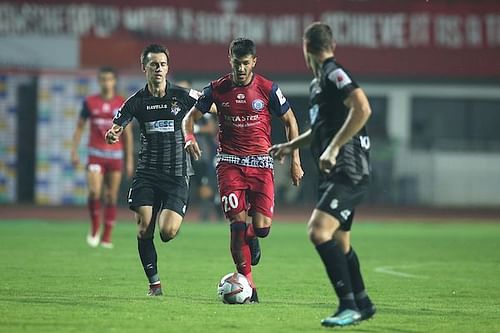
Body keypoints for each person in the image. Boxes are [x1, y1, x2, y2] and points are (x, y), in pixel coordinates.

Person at [269, 22, 376, 327]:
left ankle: (347, 306)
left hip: (349, 169)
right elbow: (319, 132)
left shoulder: (333, 73)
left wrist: (333, 149)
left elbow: (362, 108)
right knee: (341, 244)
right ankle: (363, 303)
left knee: (318, 231)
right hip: (334, 173)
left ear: (307, 49)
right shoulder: (317, 84)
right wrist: (291, 145)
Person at [183, 38, 304, 302]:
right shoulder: (216, 89)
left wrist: (296, 160)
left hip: (261, 165)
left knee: (261, 229)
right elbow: (188, 119)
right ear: (230, 60)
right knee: (237, 227)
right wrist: (189, 139)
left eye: (245, 63)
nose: (240, 68)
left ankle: (254, 235)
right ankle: (249, 284)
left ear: (254, 62)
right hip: (229, 164)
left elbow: (290, 121)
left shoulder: (268, 89)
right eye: (236, 63)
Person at [104, 44, 201, 296]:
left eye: (163, 64)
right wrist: (114, 133)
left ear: (168, 68)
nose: (158, 69)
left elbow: (212, 104)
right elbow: (118, 124)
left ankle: (171, 215)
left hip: (177, 173)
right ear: (144, 67)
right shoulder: (135, 101)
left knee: (167, 232)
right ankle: (154, 284)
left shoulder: (183, 95)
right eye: (154, 64)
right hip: (147, 173)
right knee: (143, 227)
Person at [71, 66, 134, 249]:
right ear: (99, 81)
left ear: (114, 82)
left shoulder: (122, 103)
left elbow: (128, 134)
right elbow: (80, 127)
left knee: (111, 195)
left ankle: (107, 236)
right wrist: (74, 151)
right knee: (93, 191)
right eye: (103, 79)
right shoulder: (90, 102)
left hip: (115, 156)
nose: (106, 83)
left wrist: (129, 160)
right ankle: (94, 227)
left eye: (110, 79)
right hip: (96, 155)